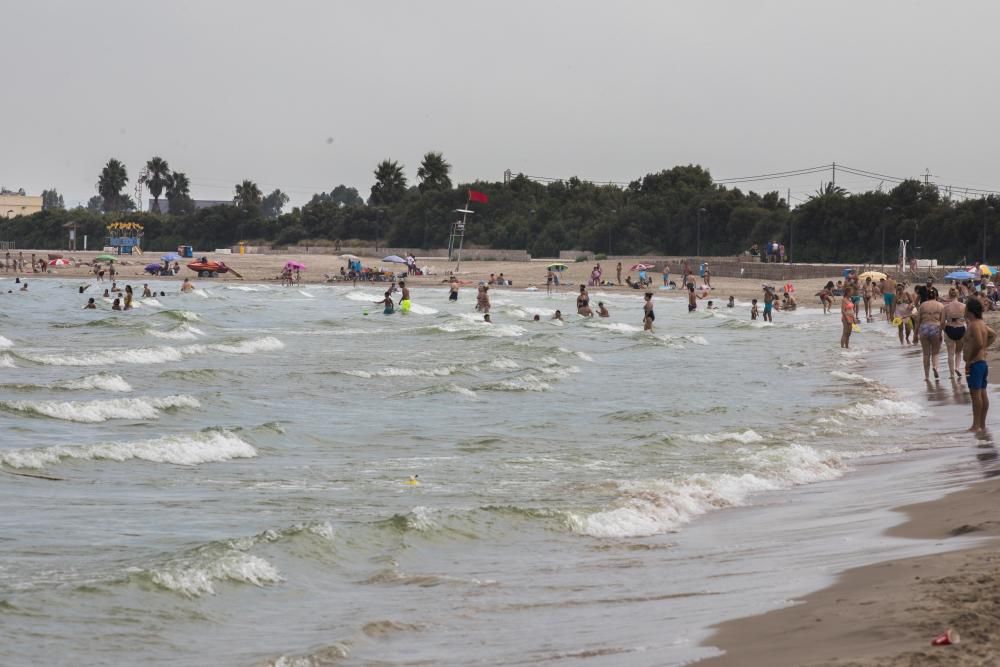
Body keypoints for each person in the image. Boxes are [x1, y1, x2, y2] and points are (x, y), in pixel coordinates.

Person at [963, 297, 996, 432]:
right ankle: (981, 424)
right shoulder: (981, 323)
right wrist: (984, 349)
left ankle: (976, 425)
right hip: (981, 362)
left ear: (969, 310)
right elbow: (993, 334)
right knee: (982, 393)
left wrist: (969, 360)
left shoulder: (974, 324)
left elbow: (978, 343)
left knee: (975, 394)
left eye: (966, 307)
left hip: (975, 363)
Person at [915, 287, 945, 380]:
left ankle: (927, 376)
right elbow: (943, 321)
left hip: (924, 328)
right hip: (935, 327)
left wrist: (915, 334)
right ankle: (935, 367)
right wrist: (941, 332)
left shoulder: (922, 305)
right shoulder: (940, 306)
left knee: (926, 354)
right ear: (936, 296)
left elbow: (918, 321)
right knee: (935, 353)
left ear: (927, 297)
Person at [943, 288, 967, 380]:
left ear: (949, 295)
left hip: (949, 328)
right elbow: (967, 320)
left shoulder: (946, 307)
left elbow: (942, 322)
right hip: (961, 329)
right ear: (958, 295)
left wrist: (942, 331)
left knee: (950, 353)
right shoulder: (964, 306)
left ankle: (952, 374)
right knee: (958, 352)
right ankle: (957, 367)